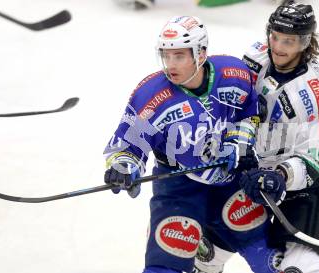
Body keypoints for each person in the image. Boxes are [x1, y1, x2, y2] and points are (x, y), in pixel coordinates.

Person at [103, 16, 285, 273]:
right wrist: (123, 165)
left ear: (200, 53)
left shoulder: (233, 74)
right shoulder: (153, 96)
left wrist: (239, 143)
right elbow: (130, 143)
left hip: (228, 180)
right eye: (166, 56)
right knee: (165, 266)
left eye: (179, 56)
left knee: (269, 256)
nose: (170, 65)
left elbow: (249, 110)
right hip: (177, 186)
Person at [194, 3, 319, 273]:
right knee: (205, 255)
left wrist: (281, 176)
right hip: (254, 172)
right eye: (274, 36)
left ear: (305, 43)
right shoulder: (255, 56)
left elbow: (317, 153)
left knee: (298, 268)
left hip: (306, 184)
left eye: (289, 41)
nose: (279, 46)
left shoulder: (316, 88)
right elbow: (236, 104)